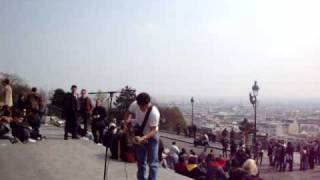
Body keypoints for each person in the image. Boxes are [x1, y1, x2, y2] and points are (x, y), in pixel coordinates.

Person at [125, 92, 160, 180]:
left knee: (153, 163)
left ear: (148, 103)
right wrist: (127, 122)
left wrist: (143, 138)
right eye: (140, 106)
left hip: (151, 136)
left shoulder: (154, 113)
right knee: (141, 162)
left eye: (143, 106)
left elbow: (153, 130)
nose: (141, 108)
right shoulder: (135, 104)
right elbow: (129, 112)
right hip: (139, 133)